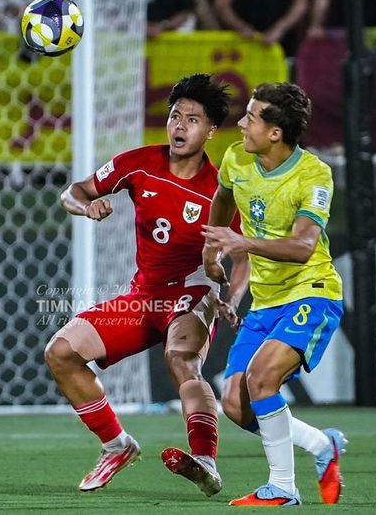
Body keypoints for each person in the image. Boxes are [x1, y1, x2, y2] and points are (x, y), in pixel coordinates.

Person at [45, 74, 238, 497]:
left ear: (210, 130)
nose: (179, 126)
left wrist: (231, 295)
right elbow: (72, 192)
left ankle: (205, 460)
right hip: (144, 296)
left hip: (192, 292)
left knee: (182, 361)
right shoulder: (139, 162)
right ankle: (117, 446)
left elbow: (242, 255)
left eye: (192, 119)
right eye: (174, 116)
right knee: (61, 352)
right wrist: (85, 206)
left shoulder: (220, 191)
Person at [201, 82, 347, 506]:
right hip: (265, 301)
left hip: (311, 292)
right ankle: (321, 444)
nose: (241, 124)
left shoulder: (314, 175)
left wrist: (241, 243)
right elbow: (223, 199)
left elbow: (303, 247)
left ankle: (283, 487)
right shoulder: (236, 159)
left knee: (262, 378)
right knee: (235, 403)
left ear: (275, 132)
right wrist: (212, 253)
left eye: (250, 117)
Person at [214, 0, 308, 57]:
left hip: (282, 44)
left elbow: (301, 3)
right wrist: (240, 27)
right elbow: (222, 3)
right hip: (243, 44)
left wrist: (280, 29)